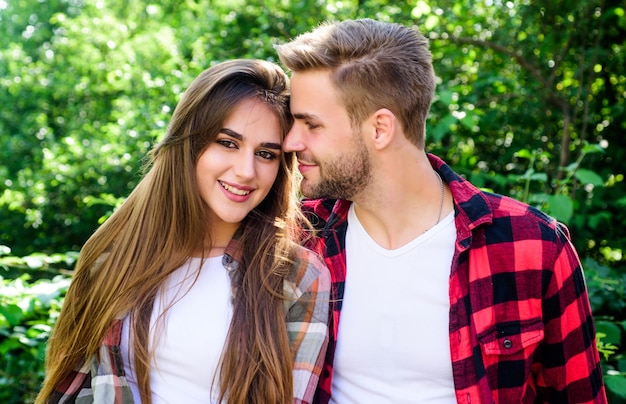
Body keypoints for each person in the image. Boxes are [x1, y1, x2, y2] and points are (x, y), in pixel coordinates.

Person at [276, 18, 607, 403]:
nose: (290, 142)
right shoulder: (299, 238)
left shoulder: (532, 246)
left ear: (380, 129)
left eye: (310, 124)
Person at [36, 59, 330, 404]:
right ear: (189, 144)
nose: (246, 171)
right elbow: (72, 390)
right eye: (228, 143)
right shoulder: (115, 255)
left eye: (266, 153)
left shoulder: (297, 277)